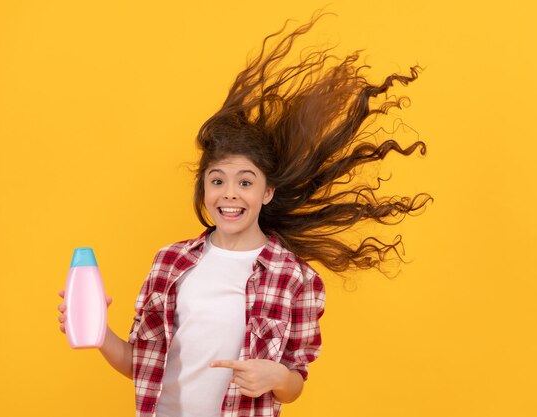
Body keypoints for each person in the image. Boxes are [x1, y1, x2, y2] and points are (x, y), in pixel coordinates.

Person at [57, 11, 432, 417]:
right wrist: (98, 334)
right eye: (217, 181)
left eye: (245, 182)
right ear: (204, 189)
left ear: (267, 191)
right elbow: (142, 365)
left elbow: (294, 383)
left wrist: (276, 378)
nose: (229, 194)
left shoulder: (295, 278)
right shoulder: (169, 263)